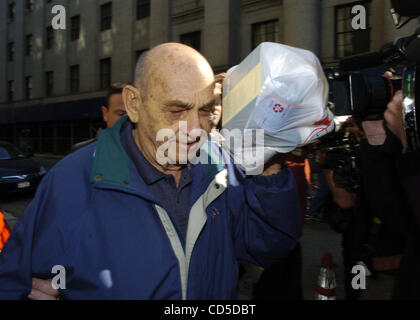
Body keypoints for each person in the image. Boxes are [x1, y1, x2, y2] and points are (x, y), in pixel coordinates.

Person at [0, 43, 301, 300]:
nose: (196, 129)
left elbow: (267, 248)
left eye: (206, 110)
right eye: (176, 110)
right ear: (134, 103)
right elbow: (13, 283)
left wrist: (269, 166)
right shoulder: (71, 183)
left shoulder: (220, 165)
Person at [70, 83, 128, 151]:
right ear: (105, 114)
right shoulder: (81, 152)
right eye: (121, 113)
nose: (129, 119)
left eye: (135, 113)